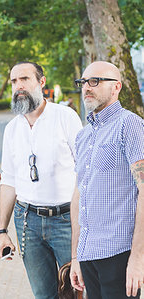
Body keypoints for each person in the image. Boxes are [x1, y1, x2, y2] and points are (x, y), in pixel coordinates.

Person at [0, 61, 83, 299]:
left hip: (66, 220)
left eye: (24, 79)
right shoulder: (12, 129)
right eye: (14, 81)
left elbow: (84, 172)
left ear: (41, 82)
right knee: (44, 295)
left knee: (76, 291)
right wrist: (2, 231)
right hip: (27, 222)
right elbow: (9, 180)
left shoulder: (66, 117)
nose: (18, 86)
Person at [70, 61, 144, 299]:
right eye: (83, 82)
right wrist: (76, 256)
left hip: (119, 253)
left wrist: (138, 257)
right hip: (88, 253)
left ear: (117, 87)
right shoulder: (83, 136)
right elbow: (79, 195)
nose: (87, 87)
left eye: (96, 81)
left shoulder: (130, 125)